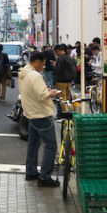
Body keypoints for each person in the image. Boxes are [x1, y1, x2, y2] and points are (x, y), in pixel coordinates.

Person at [19, 51, 61, 187]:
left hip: (30, 113)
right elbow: (42, 95)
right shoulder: (35, 75)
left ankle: (31, 172)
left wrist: (45, 90)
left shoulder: (23, 73)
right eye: (43, 64)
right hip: (41, 114)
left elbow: (34, 92)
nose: (43, 67)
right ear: (37, 62)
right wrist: (52, 92)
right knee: (51, 145)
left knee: (33, 144)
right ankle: (45, 177)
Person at [54, 44, 76, 112]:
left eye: (56, 52)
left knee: (62, 98)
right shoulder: (70, 57)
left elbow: (57, 70)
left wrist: (54, 66)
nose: (56, 54)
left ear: (58, 50)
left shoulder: (60, 58)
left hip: (60, 81)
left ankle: (64, 113)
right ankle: (70, 112)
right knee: (68, 98)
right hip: (69, 81)